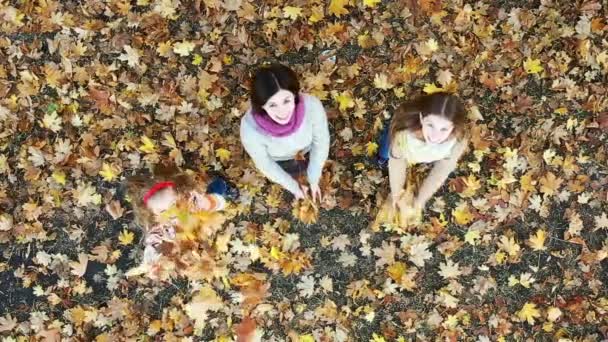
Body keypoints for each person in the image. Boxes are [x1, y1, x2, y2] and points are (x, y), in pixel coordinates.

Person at [240, 64, 330, 202]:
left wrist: (313, 178)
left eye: (286, 101)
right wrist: (294, 187)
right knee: (292, 173)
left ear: (294, 95)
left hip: (308, 148)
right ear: (262, 106)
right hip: (281, 160)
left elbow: (321, 142)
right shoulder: (250, 130)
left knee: (313, 164)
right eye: (272, 105)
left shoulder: (312, 107)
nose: (282, 112)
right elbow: (266, 164)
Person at [376, 93, 469, 225]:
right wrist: (397, 194)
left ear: (453, 127)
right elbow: (397, 161)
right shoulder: (404, 132)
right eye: (430, 125)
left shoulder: (457, 141)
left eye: (444, 129)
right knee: (385, 153)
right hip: (402, 146)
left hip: (419, 154)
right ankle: (383, 149)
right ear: (421, 118)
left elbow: (442, 170)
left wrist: (420, 201)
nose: (435, 136)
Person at [125, 164, 238, 271]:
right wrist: (152, 261)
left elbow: (216, 203)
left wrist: (214, 203)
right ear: (153, 215)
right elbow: (153, 244)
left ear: (181, 194)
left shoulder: (193, 202)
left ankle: (221, 183)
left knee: (217, 191)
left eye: (174, 204)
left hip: (202, 210)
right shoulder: (159, 227)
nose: (172, 213)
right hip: (191, 234)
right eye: (164, 211)